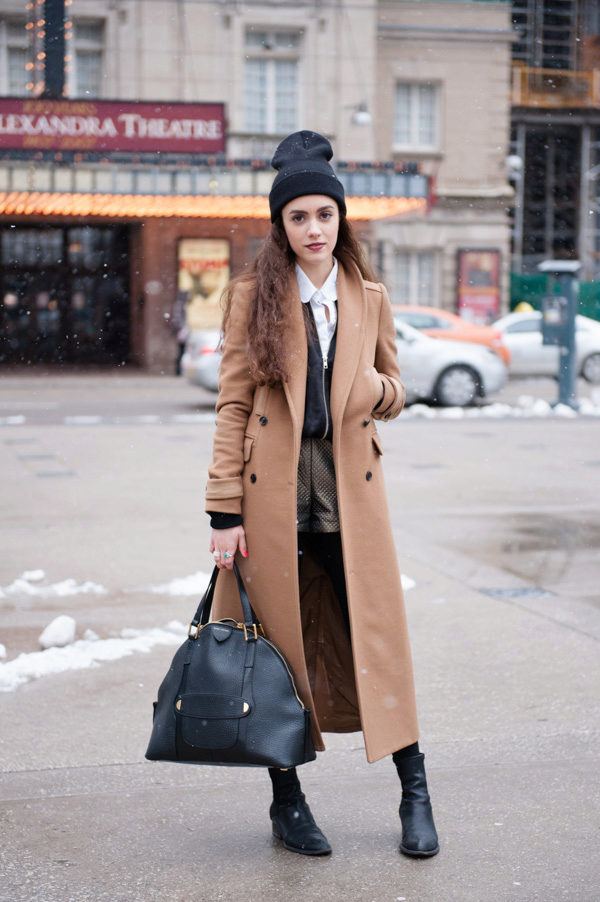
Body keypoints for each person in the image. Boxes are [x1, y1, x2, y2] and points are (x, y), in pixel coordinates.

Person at [205, 130, 439, 858]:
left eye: (325, 215)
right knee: (276, 654)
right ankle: (288, 802)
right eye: (299, 216)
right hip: (271, 503)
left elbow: (395, 388)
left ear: (341, 218)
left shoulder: (367, 297)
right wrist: (222, 510)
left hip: (348, 500)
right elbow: (233, 405)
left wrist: (373, 389)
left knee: (377, 641)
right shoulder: (254, 298)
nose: (314, 228)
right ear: (281, 224)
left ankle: (415, 791)